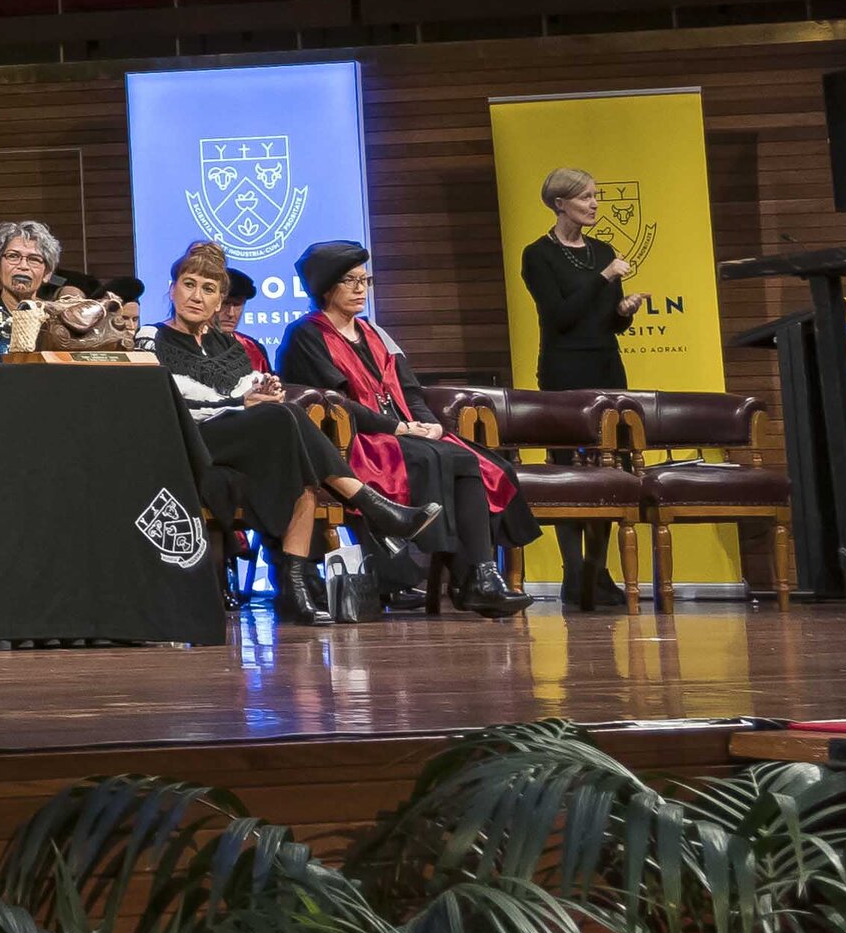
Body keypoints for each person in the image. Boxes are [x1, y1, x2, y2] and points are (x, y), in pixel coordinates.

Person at [151, 241, 433, 625]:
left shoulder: (229, 346)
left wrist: (264, 395)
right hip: (190, 441)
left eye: (208, 289)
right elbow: (167, 407)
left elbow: (247, 392)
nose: (196, 296)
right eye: (188, 284)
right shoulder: (150, 339)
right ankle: (370, 504)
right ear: (172, 289)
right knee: (284, 420)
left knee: (297, 458)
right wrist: (241, 407)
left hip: (239, 441)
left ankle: (297, 588)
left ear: (219, 302)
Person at [276, 239, 531, 617]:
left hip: (400, 431)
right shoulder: (306, 335)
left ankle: (481, 576)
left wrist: (428, 425)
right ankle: (467, 578)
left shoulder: (375, 334)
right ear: (326, 286)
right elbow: (336, 405)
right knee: (439, 458)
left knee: (472, 459)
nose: (361, 288)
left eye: (366, 280)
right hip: (352, 442)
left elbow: (410, 391)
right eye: (351, 280)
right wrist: (397, 428)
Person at [522, 165, 646, 612]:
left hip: (606, 366)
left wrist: (625, 310)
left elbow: (609, 319)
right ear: (560, 203)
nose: (594, 204)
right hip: (563, 370)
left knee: (607, 467)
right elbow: (559, 317)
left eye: (596, 196)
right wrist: (604, 278)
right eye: (586, 197)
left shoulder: (603, 249)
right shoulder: (538, 255)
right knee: (566, 472)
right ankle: (573, 572)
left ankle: (598, 571)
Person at [0, 217, 63, 361]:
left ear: (47, 274)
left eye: (34, 259)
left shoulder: (57, 323)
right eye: (13, 256)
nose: (23, 265)